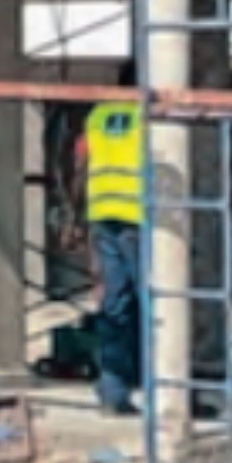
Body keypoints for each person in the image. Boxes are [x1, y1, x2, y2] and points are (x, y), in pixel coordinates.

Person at [76, 76, 145, 417]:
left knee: (115, 305)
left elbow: (80, 161)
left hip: (103, 214)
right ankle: (173, 392)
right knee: (159, 306)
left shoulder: (98, 114)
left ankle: (113, 391)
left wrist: (75, 216)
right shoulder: (150, 111)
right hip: (139, 216)